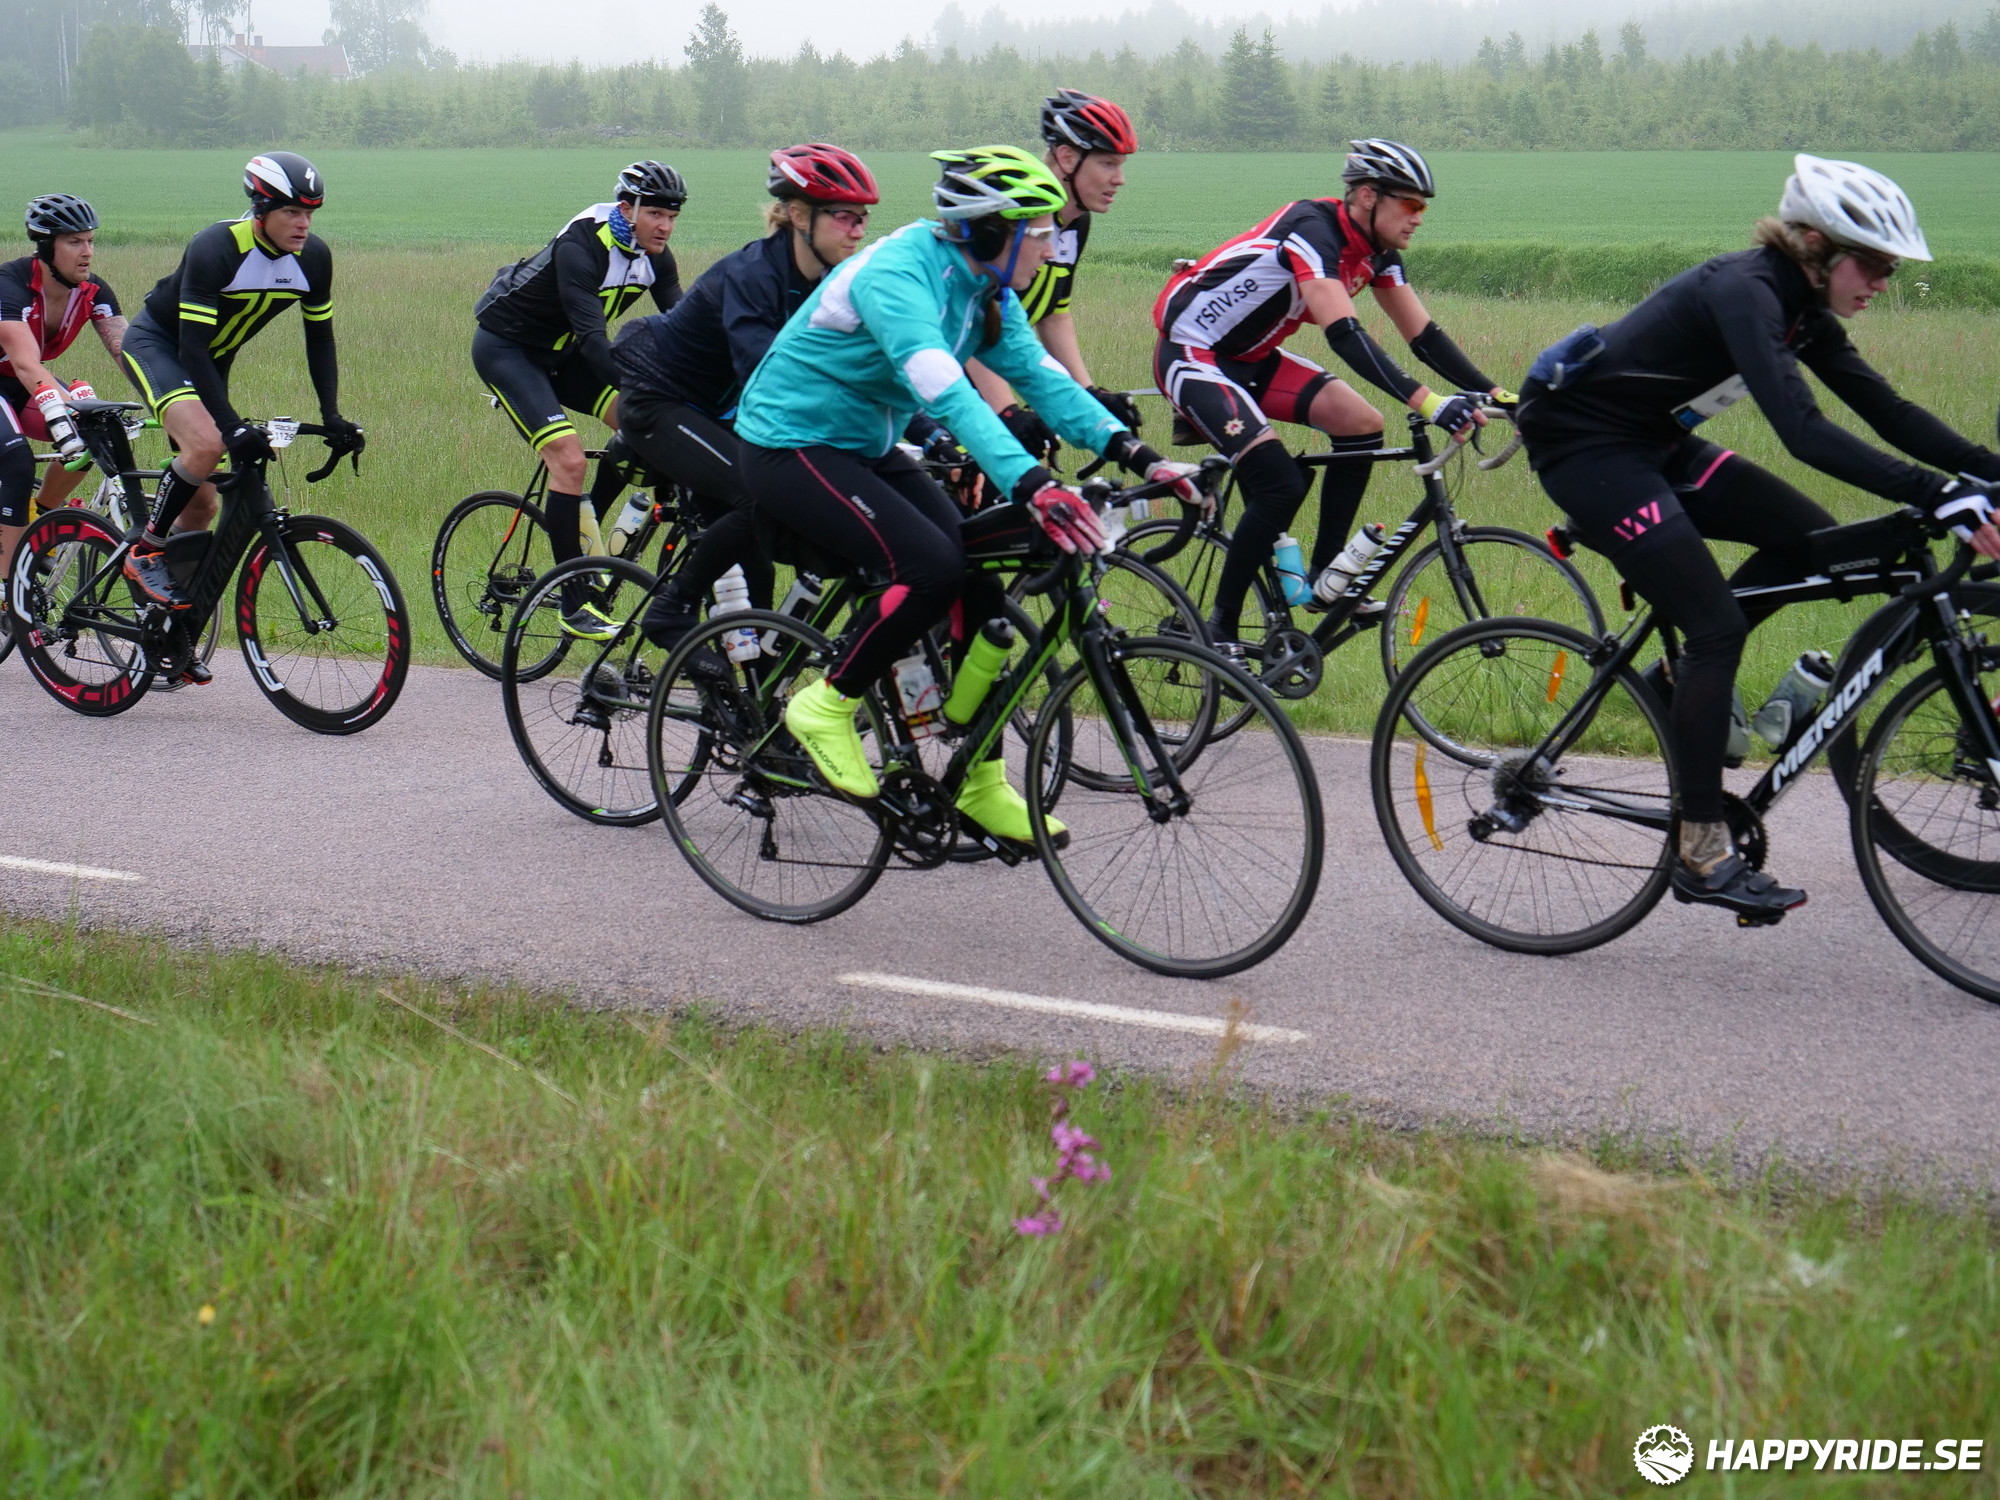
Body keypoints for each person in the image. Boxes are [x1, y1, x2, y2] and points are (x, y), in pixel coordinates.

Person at [1517, 153, 2000, 918]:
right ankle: (1701, 849)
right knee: (1715, 629)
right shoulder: (1745, 291)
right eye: (1875, 264)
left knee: (1814, 541)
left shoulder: (1805, 311)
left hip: (1657, 445)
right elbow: (1803, 432)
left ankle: (1677, 685)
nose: (1883, 283)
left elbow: (1889, 411)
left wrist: (1986, 476)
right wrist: (1935, 493)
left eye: (1891, 269)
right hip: (1588, 451)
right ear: (1816, 246)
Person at [732, 145, 1198, 844]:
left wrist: (1142, 456)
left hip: (864, 445)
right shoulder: (897, 276)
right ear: (988, 231)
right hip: (789, 442)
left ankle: (979, 779)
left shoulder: (986, 289)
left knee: (978, 577)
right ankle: (825, 705)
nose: (1051, 247)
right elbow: (948, 393)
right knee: (929, 567)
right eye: (1038, 233)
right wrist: (1033, 483)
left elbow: (1042, 379)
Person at [1153, 138, 1511, 654]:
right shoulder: (1312, 230)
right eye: (1410, 204)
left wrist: (1495, 392)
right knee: (1279, 484)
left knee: (1361, 423)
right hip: (1193, 354)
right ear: (1367, 196)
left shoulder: (1377, 254)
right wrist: (1432, 404)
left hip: (1252, 358)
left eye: (1424, 207)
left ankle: (1328, 575)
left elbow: (1423, 336)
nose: (1418, 217)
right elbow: (1343, 333)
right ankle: (1219, 627)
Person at [611, 144, 878, 649]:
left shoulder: (826, 282)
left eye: (863, 219)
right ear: (799, 216)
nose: (859, 231)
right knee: (759, 494)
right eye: (846, 217)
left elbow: (870, 361)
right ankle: (673, 609)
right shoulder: (754, 275)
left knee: (760, 562)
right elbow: (766, 373)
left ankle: (746, 681)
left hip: (714, 407)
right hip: (659, 399)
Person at [118, 153, 362, 684]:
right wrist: (230, 427)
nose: (304, 224)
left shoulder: (314, 258)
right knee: (207, 444)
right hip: (163, 346)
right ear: (262, 208)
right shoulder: (217, 247)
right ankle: (144, 550)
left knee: (204, 504)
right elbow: (193, 348)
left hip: (213, 360)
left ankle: (172, 632)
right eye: (293, 212)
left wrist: (332, 414)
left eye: (311, 213)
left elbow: (320, 338)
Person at [473, 160, 685, 637]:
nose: (666, 226)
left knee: (643, 423)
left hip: (563, 353)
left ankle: (588, 536)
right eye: (656, 214)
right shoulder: (583, 244)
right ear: (627, 209)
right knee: (568, 459)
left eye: (673, 216)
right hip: (510, 351)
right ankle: (573, 602)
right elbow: (594, 343)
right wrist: (649, 384)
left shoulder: (654, 255)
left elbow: (685, 327)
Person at [962, 90, 1144, 457]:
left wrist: (1088, 392)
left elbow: (1053, 313)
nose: (1120, 179)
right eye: (1108, 163)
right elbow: (967, 324)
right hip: (948, 376)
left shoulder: (1077, 224)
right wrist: (1006, 411)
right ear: (1067, 158)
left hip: (994, 370)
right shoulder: (1014, 217)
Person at [1, 195, 125, 583]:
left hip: (19, 384)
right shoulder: (9, 285)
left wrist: (173, 399)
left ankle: (38, 520)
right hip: (20, 375)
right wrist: (62, 406)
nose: (87, 252)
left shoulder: (93, 291)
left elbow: (131, 354)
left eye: (90, 241)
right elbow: (25, 362)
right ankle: (7, 588)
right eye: (74, 242)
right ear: (45, 246)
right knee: (16, 461)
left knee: (92, 434)